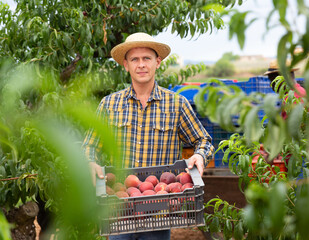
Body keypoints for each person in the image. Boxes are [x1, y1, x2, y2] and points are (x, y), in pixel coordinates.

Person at [82, 32, 214, 240]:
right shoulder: (109, 104)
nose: (141, 64)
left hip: (159, 212)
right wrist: (90, 162)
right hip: (120, 211)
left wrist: (200, 155)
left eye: (147, 58)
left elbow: (203, 140)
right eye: (135, 59)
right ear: (126, 65)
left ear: (157, 62)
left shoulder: (176, 104)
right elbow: (90, 146)